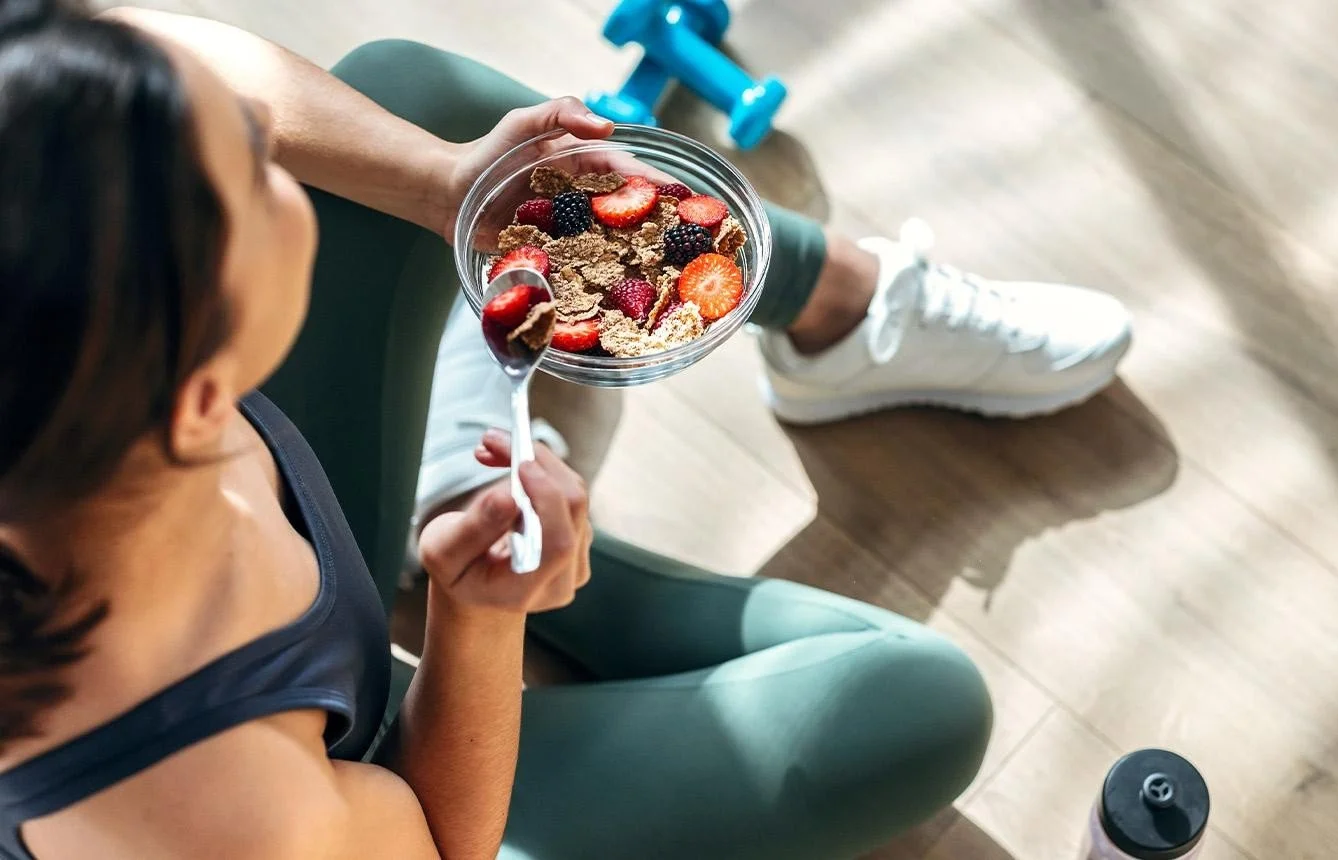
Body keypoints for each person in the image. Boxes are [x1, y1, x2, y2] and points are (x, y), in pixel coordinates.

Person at [0, 3, 1007, 859]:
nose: (270, 141)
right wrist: (479, 617)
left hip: (279, 648)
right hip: (372, 799)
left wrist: (443, 179)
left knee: (408, 92)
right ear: (201, 389)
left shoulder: (76, 402)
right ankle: (490, 549)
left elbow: (123, 51)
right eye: (253, 165)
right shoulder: (211, 808)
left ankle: (822, 310)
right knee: (917, 701)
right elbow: (438, 839)